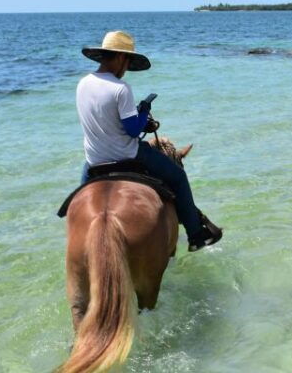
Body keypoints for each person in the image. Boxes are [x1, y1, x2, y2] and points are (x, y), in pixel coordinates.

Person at [76, 30, 222, 252]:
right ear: (120, 57)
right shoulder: (120, 88)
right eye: (128, 62)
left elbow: (107, 120)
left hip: (95, 159)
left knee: (80, 199)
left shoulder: (83, 83)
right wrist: (143, 111)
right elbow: (133, 131)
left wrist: (137, 119)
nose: (126, 69)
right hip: (128, 155)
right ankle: (195, 234)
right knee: (178, 177)